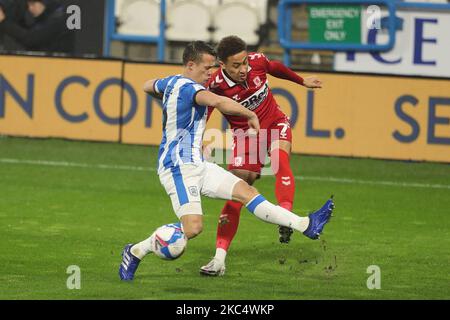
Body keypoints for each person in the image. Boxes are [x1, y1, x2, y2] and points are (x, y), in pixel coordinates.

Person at [118, 41, 334, 280]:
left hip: (199, 165)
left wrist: (167, 99)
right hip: (178, 168)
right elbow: (219, 102)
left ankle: (306, 224)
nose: (211, 73)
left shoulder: (171, 82)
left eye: (213, 68)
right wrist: (249, 113)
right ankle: (136, 250)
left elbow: (147, 85)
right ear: (191, 65)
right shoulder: (192, 89)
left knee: (247, 192)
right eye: (207, 68)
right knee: (193, 229)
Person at [200, 36, 326, 276]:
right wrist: (201, 139)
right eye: (236, 65)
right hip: (247, 137)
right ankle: (218, 260)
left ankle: (285, 216)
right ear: (223, 65)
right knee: (236, 191)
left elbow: (275, 67)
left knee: (280, 160)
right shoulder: (214, 85)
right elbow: (205, 110)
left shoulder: (257, 62)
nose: (243, 69)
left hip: (275, 122)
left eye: (244, 62)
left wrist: (302, 81)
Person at [0, 0, 74, 54]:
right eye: (28, 5)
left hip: (58, 67)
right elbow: (28, 37)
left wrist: (4, 21)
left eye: (33, 4)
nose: (30, 8)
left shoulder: (58, 18)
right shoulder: (46, 17)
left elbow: (31, 39)